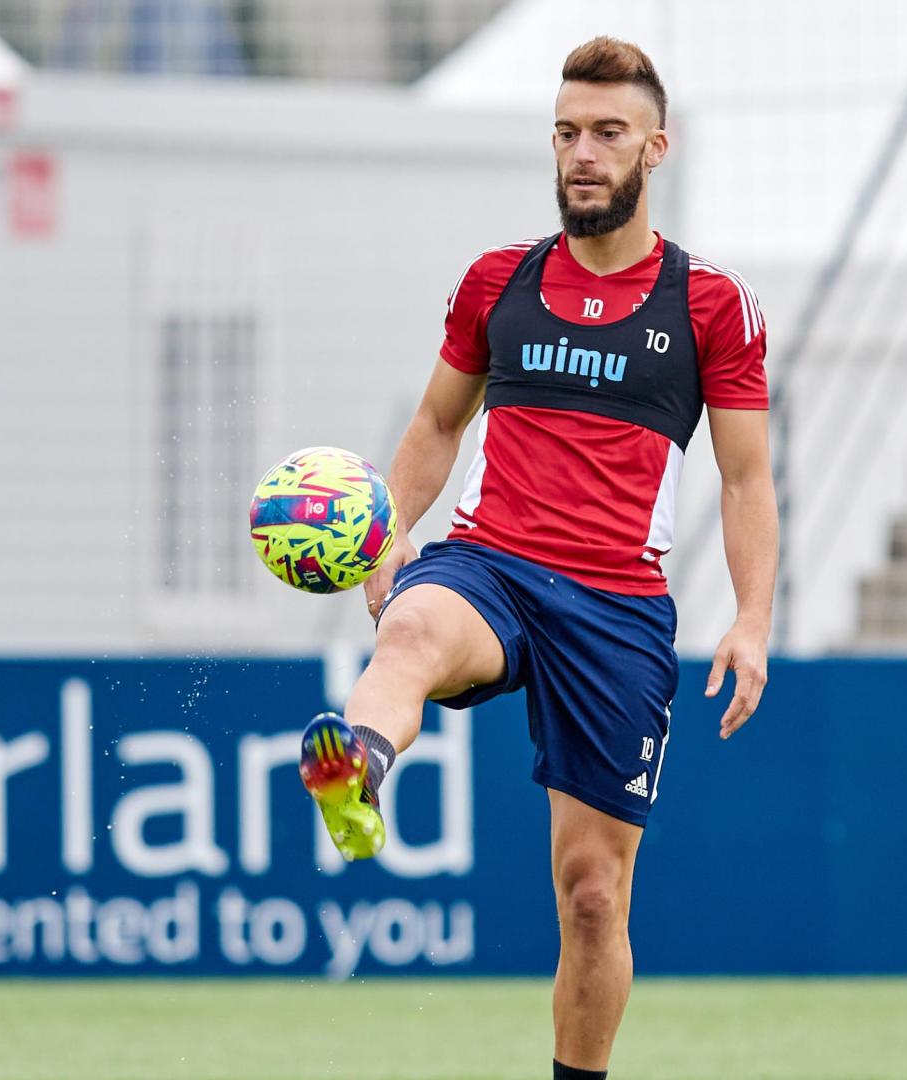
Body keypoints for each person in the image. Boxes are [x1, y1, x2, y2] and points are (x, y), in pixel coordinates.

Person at [295, 35, 777, 1080]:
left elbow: (746, 481)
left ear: (657, 148)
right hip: (492, 567)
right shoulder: (496, 281)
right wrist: (387, 530)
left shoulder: (710, 307)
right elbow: (434, 425)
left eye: (607, 133)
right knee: (415, 625)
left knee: (593, 895)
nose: (582, 154)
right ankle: (357, 772)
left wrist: (751, 619)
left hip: (617, 611)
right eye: (566, 133)